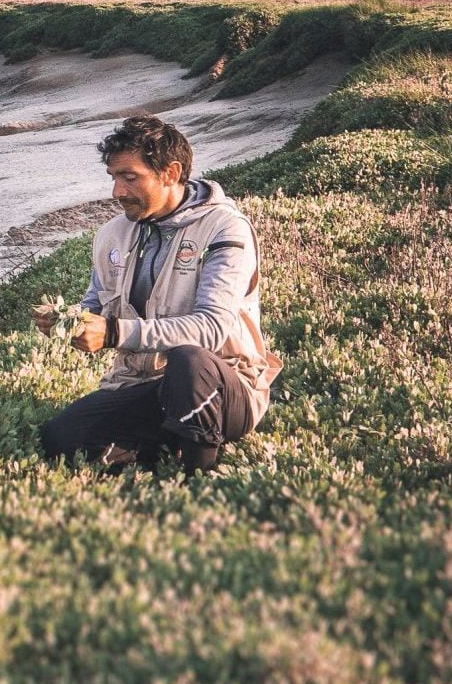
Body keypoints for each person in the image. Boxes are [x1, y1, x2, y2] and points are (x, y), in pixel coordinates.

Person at [35, 113, 280, 471]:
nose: (117, 192)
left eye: (130, 177)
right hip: (144, 385)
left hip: (225, 389)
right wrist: (68, 322)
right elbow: (96, 303)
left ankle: (199, 471)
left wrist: (115, 333)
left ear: (171, 172)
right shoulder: (111, 236)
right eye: (114, 177)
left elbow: (211, 329)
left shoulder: (226, 229)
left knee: (188, 360)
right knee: (59, 439)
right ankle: (159, 449)